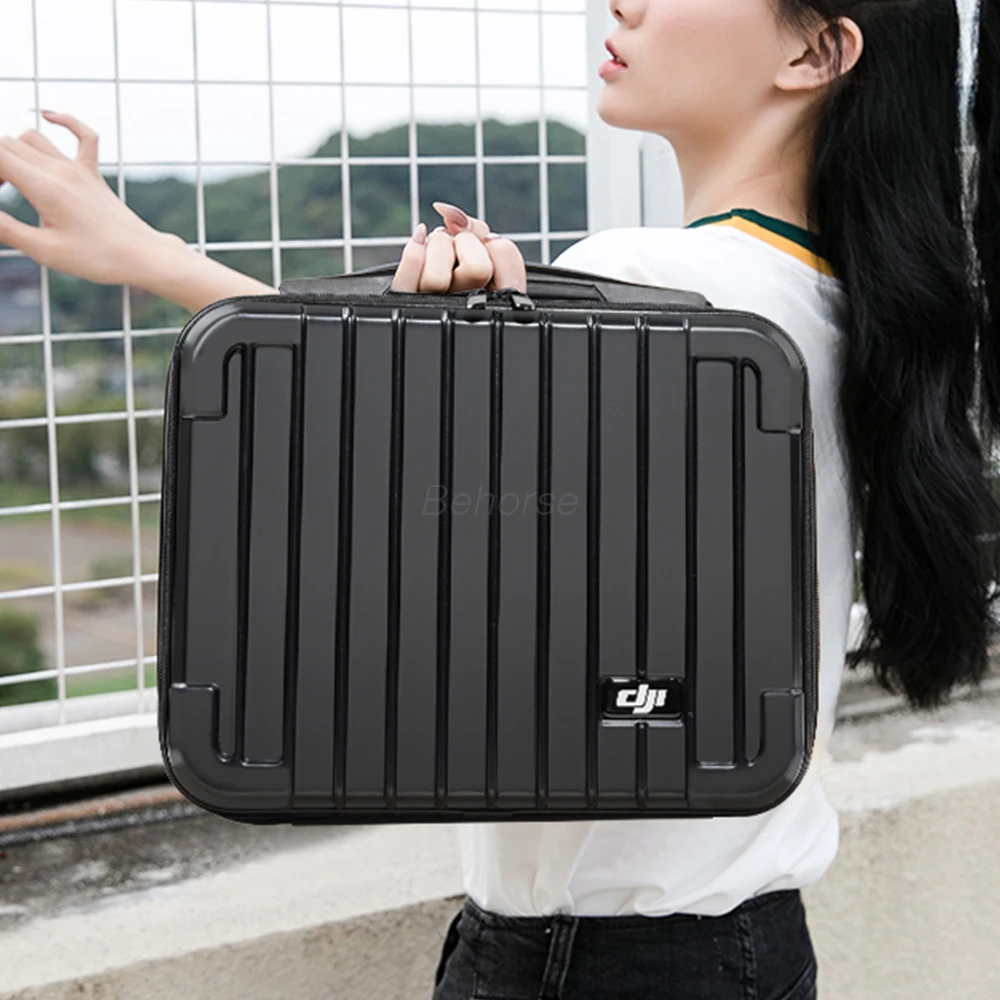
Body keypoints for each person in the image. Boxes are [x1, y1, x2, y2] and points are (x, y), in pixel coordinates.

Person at [0, 0, 993, 995]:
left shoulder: (645, 281)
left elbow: (412, 559)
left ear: (816, 51)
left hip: (593, 959)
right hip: (749, 941)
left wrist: (159, 260)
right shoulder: (833, 306)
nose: (625, 3)